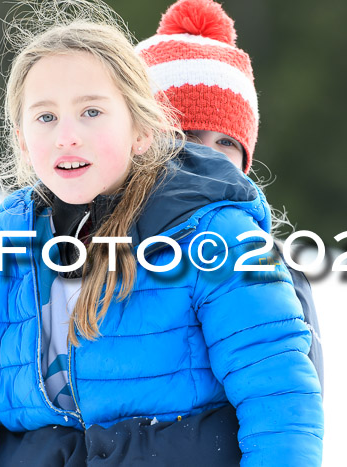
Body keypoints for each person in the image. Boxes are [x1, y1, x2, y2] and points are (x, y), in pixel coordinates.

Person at [0, 1, 323, 465]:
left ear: (142, 130)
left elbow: (278, 396)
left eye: (91, 112)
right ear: (22, 138)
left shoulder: (215, 239)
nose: (68, 135)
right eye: (46, 117)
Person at [135, 0, 324, 395]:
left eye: (225, 142)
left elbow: (286, 403)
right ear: (137, 139)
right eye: (183, 137)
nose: (205, 155)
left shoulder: (261, 263)